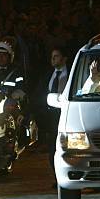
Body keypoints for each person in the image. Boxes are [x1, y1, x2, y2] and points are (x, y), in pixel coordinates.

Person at [35, 47, 68, 187]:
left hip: (65, 115)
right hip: (51, 117)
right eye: (52, 56)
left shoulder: (71, 73)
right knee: (52, 149)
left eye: (57, 56)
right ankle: (57, 178)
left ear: (64, 58)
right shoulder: (48, 75)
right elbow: (40, 93)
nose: (53, 59)